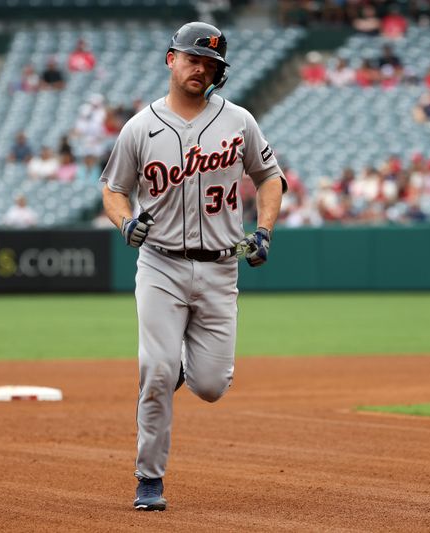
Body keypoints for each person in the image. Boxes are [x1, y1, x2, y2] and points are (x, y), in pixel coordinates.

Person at [99, 21, 285, 512]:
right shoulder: (141, 127)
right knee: (155, 372)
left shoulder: (239, 121)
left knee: (209, 385)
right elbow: (113, 189)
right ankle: (149, 480)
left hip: (222, 266)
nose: (201, 68)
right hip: (160, 264)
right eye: (193, 59)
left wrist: (264, 229)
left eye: (211, 64)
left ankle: (181, 367)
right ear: (171, 59)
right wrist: (125, 222)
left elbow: (270, 176)